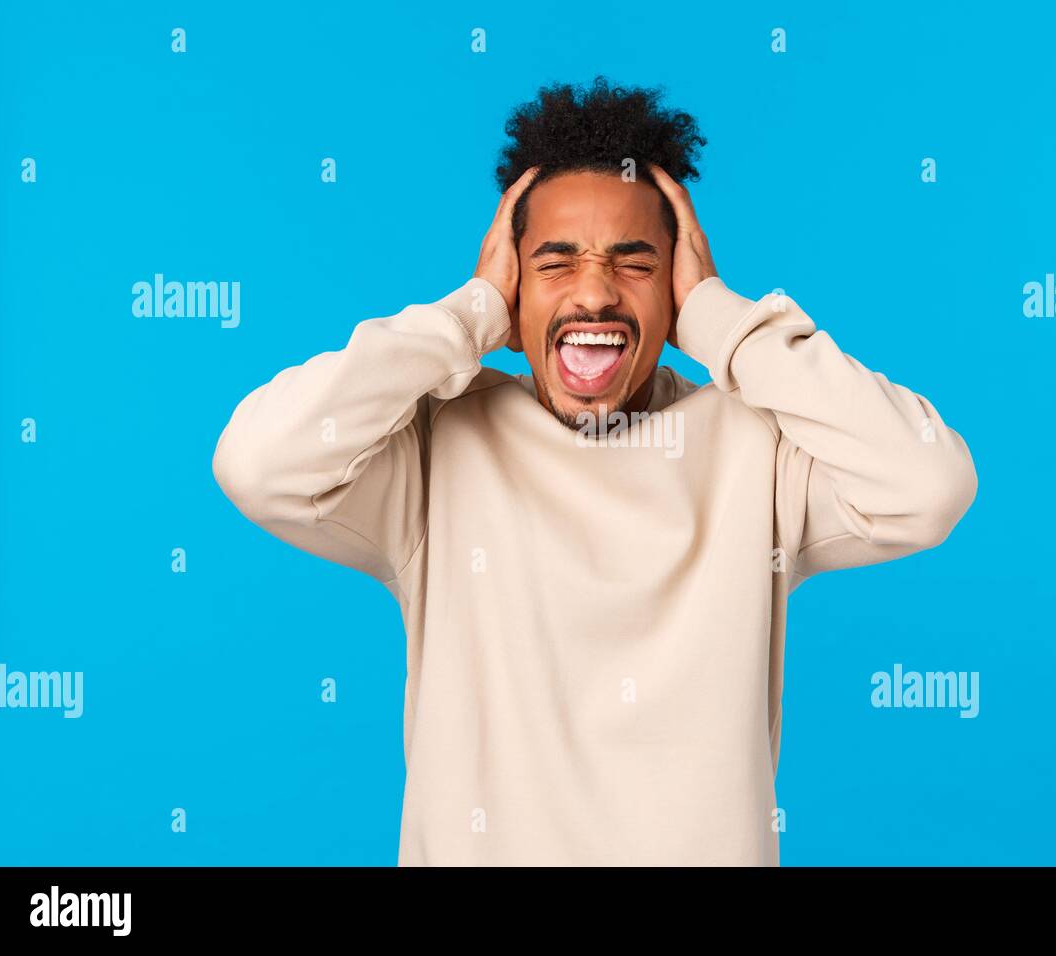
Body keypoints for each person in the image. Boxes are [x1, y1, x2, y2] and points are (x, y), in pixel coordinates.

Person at [212, 76, 978, 865]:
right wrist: (468, 314)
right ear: (513, 288)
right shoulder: (440, 445)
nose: (594, 292)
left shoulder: (758, 445)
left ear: (677, 286)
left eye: (633, 262)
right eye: (555, 262)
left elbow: (929, 486)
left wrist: (725, 323)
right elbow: (259, 462)